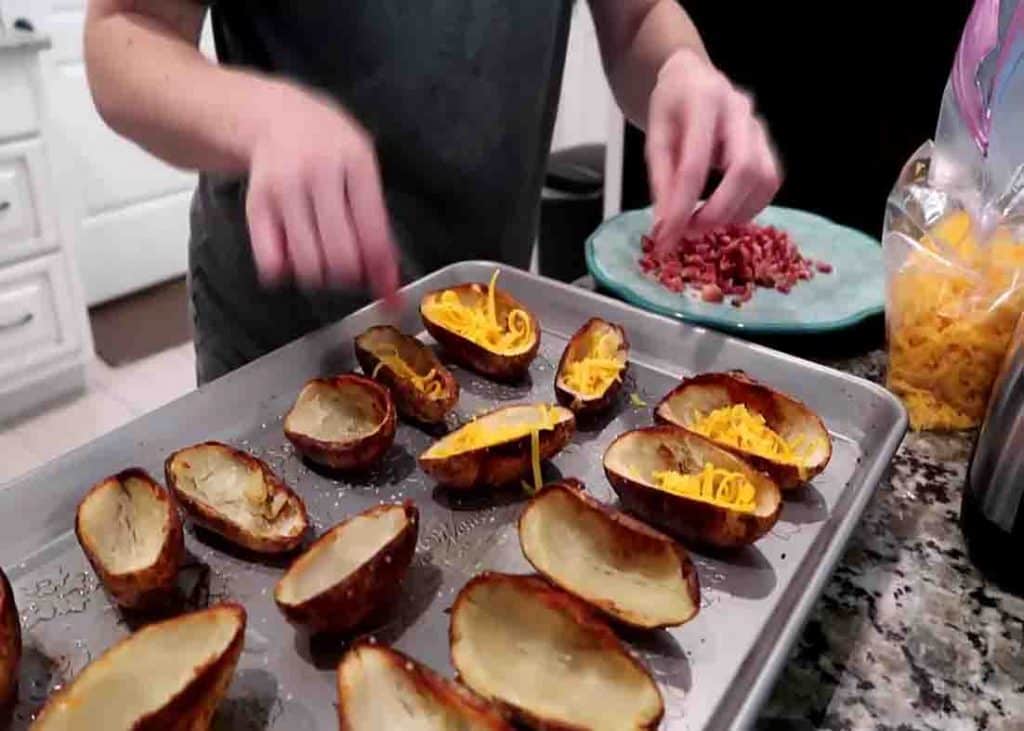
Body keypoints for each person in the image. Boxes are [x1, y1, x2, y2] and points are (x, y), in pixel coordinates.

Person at [84, 0, 780, 384]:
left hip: (488, 319)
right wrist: (259, 118)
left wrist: (678, 70)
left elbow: (635, 20)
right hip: (287, 334)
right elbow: (124, 34)